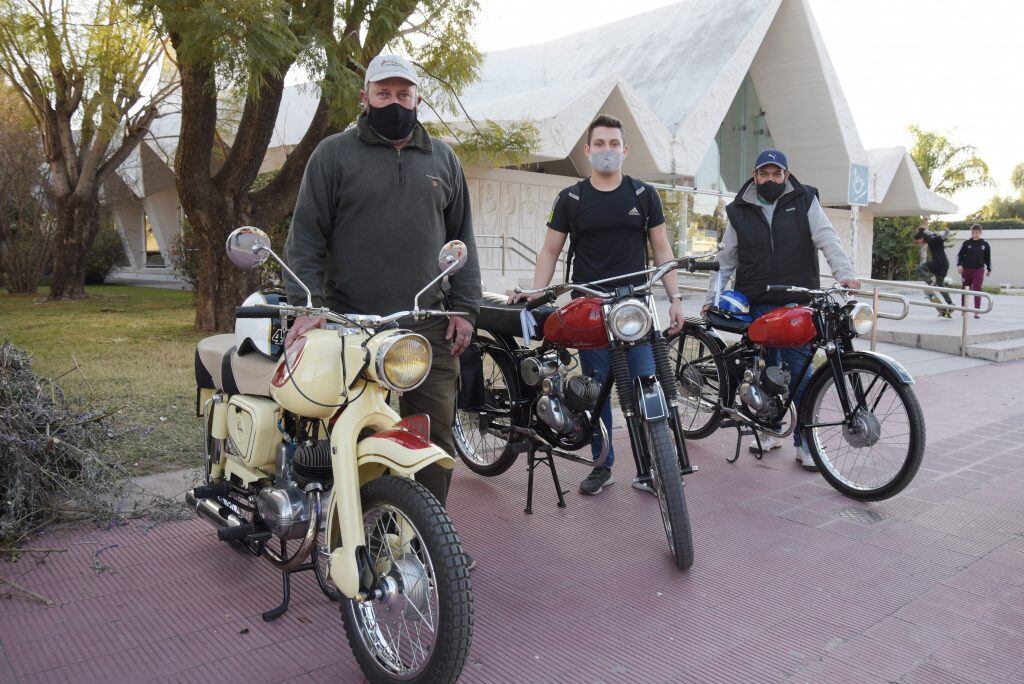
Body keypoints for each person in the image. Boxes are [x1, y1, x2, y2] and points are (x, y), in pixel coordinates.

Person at [282, 54, 481, 520]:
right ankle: (347, 528)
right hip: (349, 326)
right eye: (384, 94)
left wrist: (465, 308)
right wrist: (308, 308)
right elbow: (305, 238)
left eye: (404, 94)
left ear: (418, 98)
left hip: (424, 326)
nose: (396, 103)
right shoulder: (333, 154)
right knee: (347, 432)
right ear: (365, 97)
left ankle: (428, 538)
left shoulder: (444, 159)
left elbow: (462, 240)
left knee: (434, 435)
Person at [510, 114, 685, 496]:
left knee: (643, 388)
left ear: (625, 150)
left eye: (614, 144)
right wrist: (537, 294)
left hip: (635, 310)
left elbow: (662, 250)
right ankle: (601, 465)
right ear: (588, 151)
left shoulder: (643, 195)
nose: (607, 151)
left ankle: (649, 470)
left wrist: (674, 299)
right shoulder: (571, 198)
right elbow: (550, 250)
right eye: (600, 144)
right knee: (595, 390)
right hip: (589, 309)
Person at [703, 148, 861, 470]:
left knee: (798, 373)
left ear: (786, 175)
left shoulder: (804, 200)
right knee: (765, 371)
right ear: (755, 175)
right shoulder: (739, 210)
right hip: (757, 300)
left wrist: (844, 273)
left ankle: (805, 442)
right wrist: (712, 295)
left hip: (796, 302)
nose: (771, 179)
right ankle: (769, 427)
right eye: (765, 174)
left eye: (777, 174)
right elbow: (725, 259)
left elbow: (827, 238)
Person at [914, 226, 955, 317]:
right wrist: (922, 230)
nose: (920, 244)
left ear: (922, 238)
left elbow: (941, 238)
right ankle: (950, 304)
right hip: (944, 264)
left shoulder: (932, 240)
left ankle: (931, 282)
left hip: (938, 264)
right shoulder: (931, 237)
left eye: (919, 242)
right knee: (941, 286)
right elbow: (929, 233)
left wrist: (947, 233)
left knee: (919, 269)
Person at [957, 223, 992, 318]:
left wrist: (989, 269)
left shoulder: (985, 244)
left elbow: (988, 258)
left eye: (976, 233)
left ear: (980, 233)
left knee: (977, 288)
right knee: (965, 289)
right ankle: (964, 309)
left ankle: (977, 311)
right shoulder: (966, 243)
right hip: (967, 269)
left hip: (979, 269)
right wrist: (959, 265)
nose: (974, 235)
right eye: (973, 233)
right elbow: (959, 256)